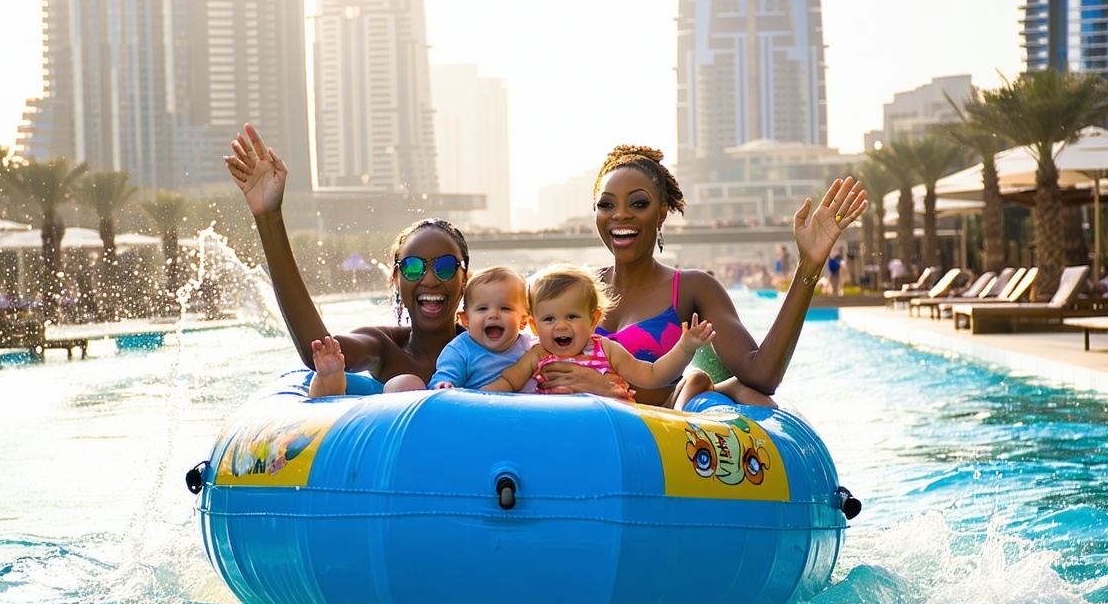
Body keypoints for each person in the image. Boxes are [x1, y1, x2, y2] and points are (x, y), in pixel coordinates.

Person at [534, 144, 866, 409]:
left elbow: (761, 376)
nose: (620, 214)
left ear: (661, 212)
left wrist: (808, 265)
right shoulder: (576, 289)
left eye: (638, 203)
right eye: (606, 205)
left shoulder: (693, 289)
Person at [225, 124, 469, 392]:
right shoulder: (385, 347)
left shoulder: (490, 346)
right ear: (396, 280)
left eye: (445, 267)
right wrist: (269, 217)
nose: (430, 279)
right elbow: (320, 351)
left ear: (465, 280)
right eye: (413, 267)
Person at [483, 264, 714, 408]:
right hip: (557, 427)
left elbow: (652, 375)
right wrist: (471, 399)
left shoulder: (606, 349)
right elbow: (508, 382)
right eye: (549, 319)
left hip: (610, 426)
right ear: (534, 327)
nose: (561, 326)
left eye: (572, 316)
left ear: (593, 320)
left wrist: (684, 348)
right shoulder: (537, 355)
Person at [312, 265, 535, 397]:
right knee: (404, 383)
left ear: (524, 321)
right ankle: (329, 381)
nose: (493, 315)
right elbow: (447, 374)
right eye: (483, 309)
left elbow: (548, 363)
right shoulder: (461, 349)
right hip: (478, 412)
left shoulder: (530, 346)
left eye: (505, 309)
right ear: (465, 319)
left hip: (524, 411)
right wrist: (444, 385)